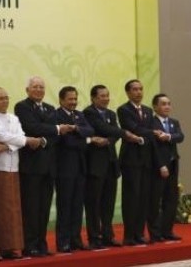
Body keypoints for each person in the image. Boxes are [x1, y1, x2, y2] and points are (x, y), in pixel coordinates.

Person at [0, 87, 41, 261]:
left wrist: (10, 145)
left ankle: (9, 247)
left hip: (13, 166)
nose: (5, 101)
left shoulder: (14, 118)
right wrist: (25, 141)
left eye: (6, 97)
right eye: (0, 98)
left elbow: (17, 136)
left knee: (12, 209)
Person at [14, 76, 68, 257]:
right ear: (27, 90)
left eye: (41, 87)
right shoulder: (22, 107)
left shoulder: (51, 108)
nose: (38, 90)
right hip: (31, 167)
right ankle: (29, 245)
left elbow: (53, 135)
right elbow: (31, 127)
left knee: (44, 208)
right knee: (30, 207)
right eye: (35, 87)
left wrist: (46, 136)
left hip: (49, 167)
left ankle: (42, 243)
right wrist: (54, 129)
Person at [83, 85, 141, 250]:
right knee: (94, 203)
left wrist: (109, 140)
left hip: (110, 163)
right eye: (102, 96)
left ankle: (108, 235)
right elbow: (102, 128)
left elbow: (113, 134)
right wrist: (123, 132)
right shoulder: (89, 113)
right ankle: (94, 237)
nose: (106, 98)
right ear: (94, 98)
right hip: (95, 164)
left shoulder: (111, 114)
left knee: (108, 203)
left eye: (107, 95)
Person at [55, 86, 94, 253]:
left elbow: (90, 130)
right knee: (65, 205)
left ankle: (76, 239)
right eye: (70, 99)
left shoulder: (79, 115)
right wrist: (84, 139)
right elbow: (66, 142)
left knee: (78, 205)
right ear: (61, 100)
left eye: (75, 99)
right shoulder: (56, 115)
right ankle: (63, 241)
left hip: (80, 167)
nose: (73, 102)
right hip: (64, 168)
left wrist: (76, 129)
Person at [117, 79, 155, 246]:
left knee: (144, 197)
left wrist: (149, 134)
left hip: (146, 159)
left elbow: (146, 133)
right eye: (135, 89)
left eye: (141, 89)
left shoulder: (147, 110)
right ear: (128, 92)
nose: (138, 92)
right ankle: (129, 235)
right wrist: (152, 132)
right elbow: (133, 128)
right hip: (131, 160)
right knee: (131, 197)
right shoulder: (123, 109)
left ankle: (139, 233)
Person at [148, 94, 184, 242]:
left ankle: (167, 230)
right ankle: (155, 234)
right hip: (158, 165)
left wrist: (168, 136)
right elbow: (153, 147)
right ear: (155, 107)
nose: (167, 107)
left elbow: (180, 136)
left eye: (168, 104)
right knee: (155, 200)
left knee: (171, 199)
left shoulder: (174, 122)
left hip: (173, 163)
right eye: (163, 104)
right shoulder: (151, 122)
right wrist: (161, 165)